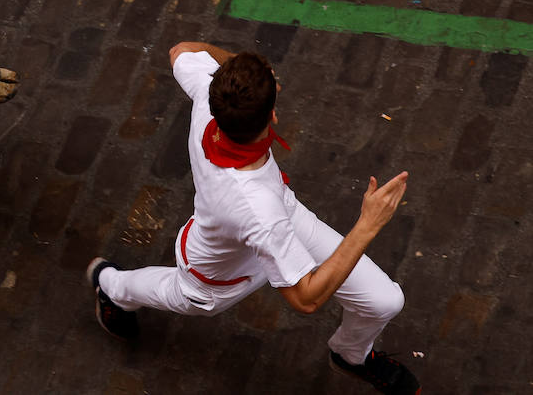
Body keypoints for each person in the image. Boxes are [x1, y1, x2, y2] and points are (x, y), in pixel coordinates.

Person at [87, 42, 419, 394]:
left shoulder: (208, 96)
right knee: (173, 294)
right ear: (272, 115)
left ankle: (351, 354)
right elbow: (306, 299)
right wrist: (367, 225)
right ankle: (110, 286)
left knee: (384, 301)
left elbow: (180, 50)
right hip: (221, 271)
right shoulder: (258, 208)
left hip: (281, 220)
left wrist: (243, 75)